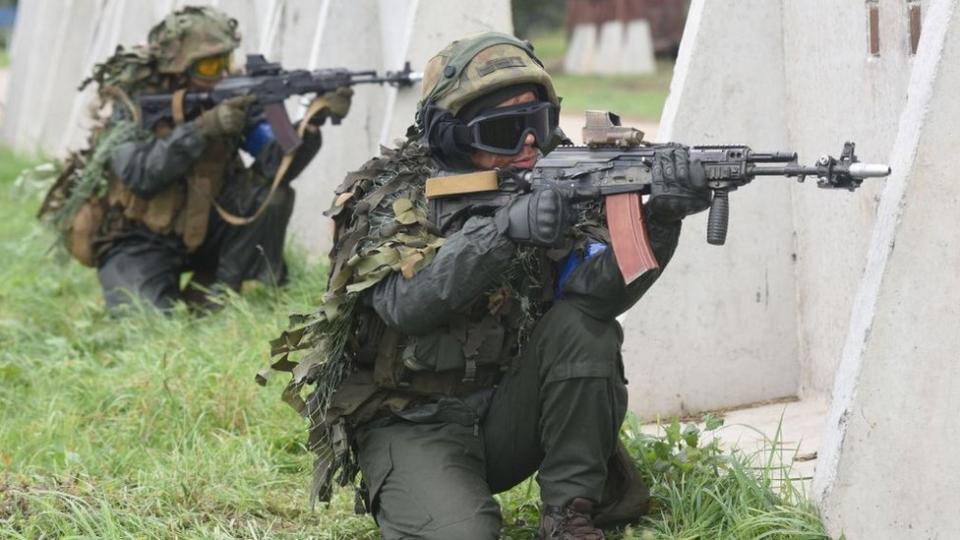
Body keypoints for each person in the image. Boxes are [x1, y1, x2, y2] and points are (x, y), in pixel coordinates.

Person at [266, 32, 710, 539]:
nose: (526, 145)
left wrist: (660, 220)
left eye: (537, 125)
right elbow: (404, 304)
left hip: (510, 411)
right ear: (453, 135)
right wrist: (504, 230)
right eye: (503, 131)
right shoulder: (391, 194)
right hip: (413, 421)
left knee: (585, 326)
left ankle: (570, 515)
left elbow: (598, 296)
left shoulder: (553, 179)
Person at [43, 6, 350, 312]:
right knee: (143, 321)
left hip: (207, 227)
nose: (221, 74)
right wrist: (202, 128)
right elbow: (140, 176)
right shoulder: (135, 102)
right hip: (139, 236)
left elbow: (275, 168)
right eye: (207, 67)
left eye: (224, 62)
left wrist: (310, 125)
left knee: (272, 196)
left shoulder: (235, 94)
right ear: (178, 67)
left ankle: (217, 295)